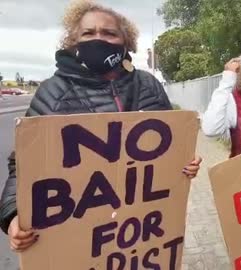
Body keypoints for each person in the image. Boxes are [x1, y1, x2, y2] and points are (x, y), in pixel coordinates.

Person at [0, 0, 202, 252]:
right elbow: (22, 164)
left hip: (140, 234)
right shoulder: (53, 92)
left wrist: (185, 162)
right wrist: (14, 214)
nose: (99, 39)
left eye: (109, 33)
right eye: (88, 33)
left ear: (125, 41)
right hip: (80, 238)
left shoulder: (148, 85)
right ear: (73, 41)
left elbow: (171, 148)